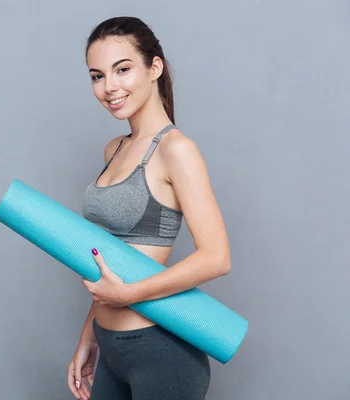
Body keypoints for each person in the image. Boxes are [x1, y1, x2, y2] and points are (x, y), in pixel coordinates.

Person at [67, 17, 232, 400]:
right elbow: (109, 259)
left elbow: (217, 258)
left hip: (160, 352)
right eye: (97, 76)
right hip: (110, 348)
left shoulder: (176, 150)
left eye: (122, 70)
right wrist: (88, 338)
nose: (110, 87)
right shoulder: (115, 149)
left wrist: (128, 295)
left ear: (153, 67)